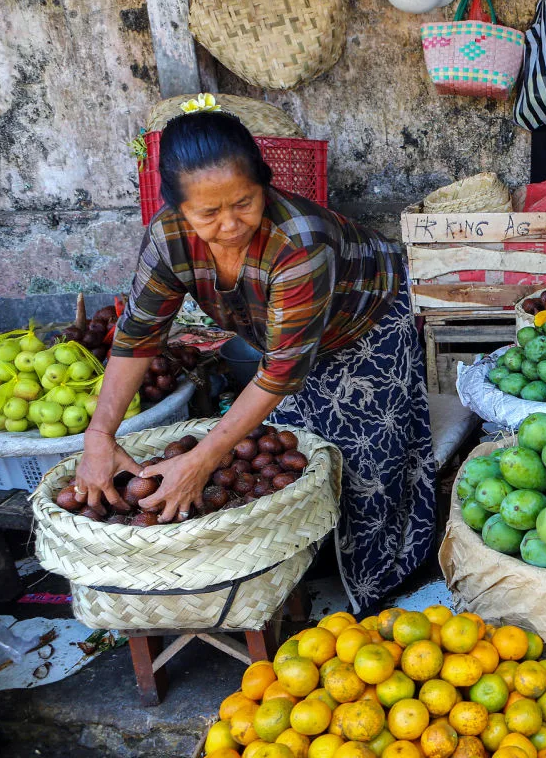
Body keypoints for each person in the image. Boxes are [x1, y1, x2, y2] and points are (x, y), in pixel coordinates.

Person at [74, 111, 436, 612]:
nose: (228, 225)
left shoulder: (299, 242)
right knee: (294, 451)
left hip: (364, 320)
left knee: (370, 456)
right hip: (283, 338)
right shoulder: (168, 239)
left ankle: (381, 589)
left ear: (264, 184)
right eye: (207, 213)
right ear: (177, 209)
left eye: (244, 202)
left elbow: (281, 373)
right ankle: (307, 569)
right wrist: (99, 435)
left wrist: (203, 459)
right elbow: (138, 336)